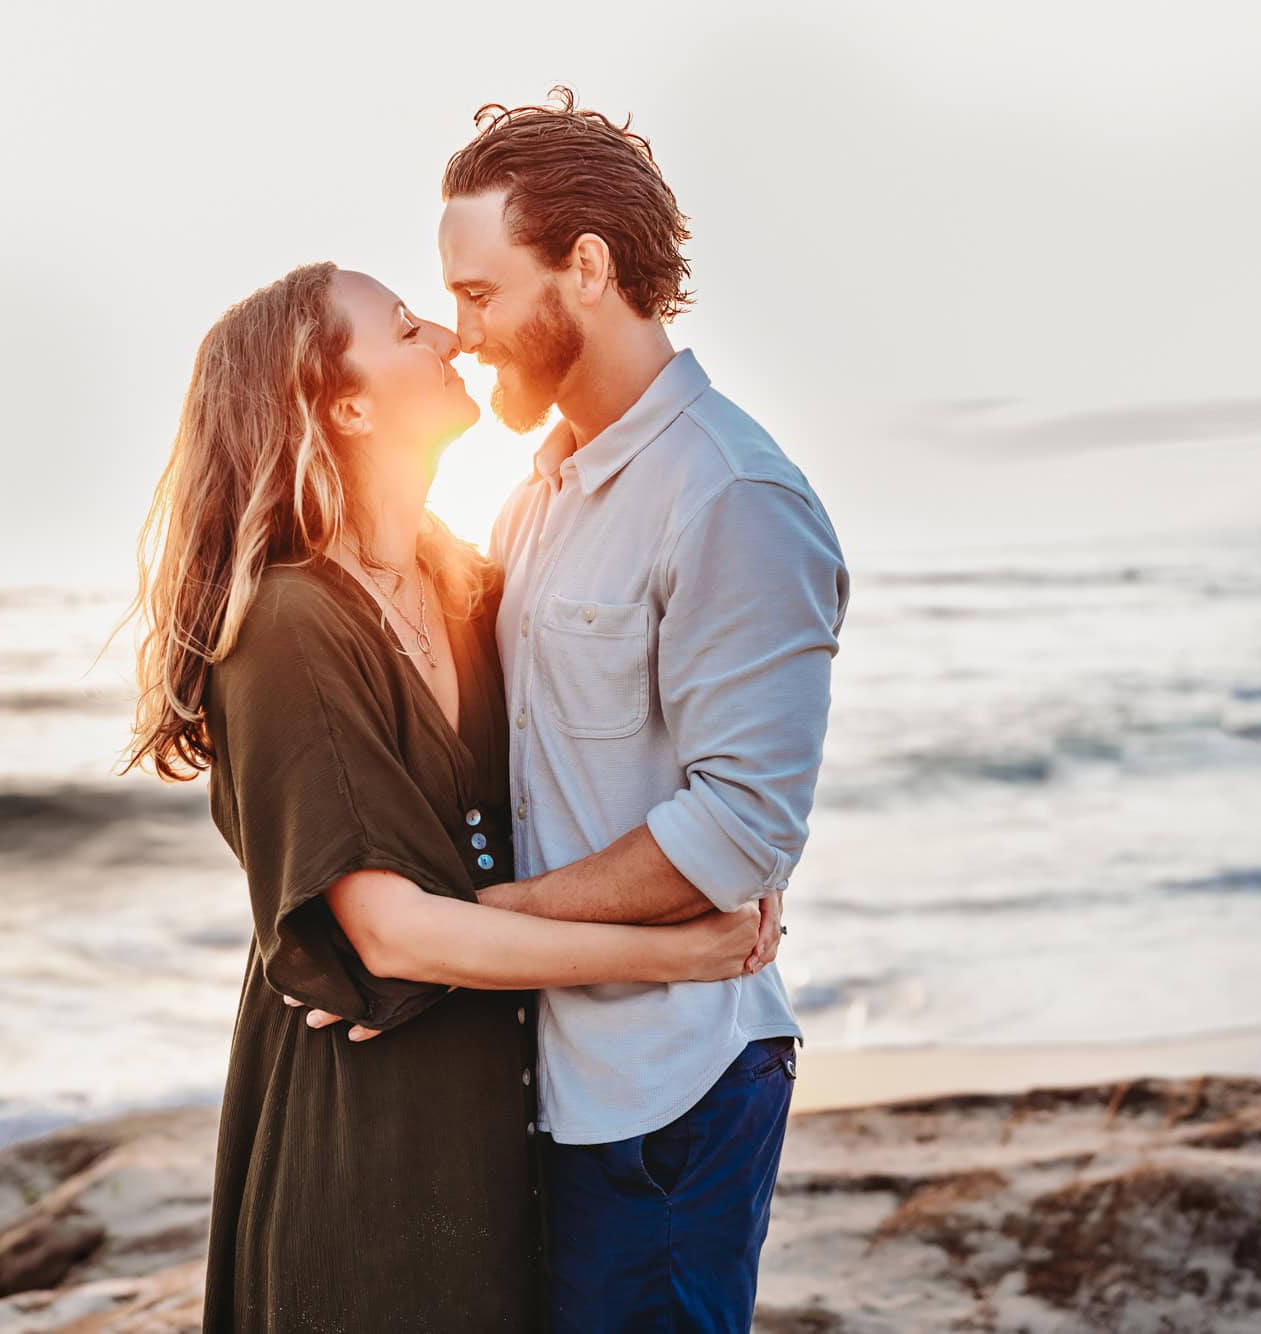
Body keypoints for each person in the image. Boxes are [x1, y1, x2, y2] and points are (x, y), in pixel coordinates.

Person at [119, 261, 764, 1333]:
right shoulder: (288, 626)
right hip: (367, 1136)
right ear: (346, 402)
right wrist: (675, 946)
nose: (451, 339)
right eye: (407, 328)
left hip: (501, 1113)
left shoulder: (465, 583)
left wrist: (733, 853)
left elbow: (628, 737)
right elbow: (389, 933)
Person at [439, 90, 849, 1331]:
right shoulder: (541, 490)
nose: (461, 334)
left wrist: (487, 924)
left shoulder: (730, 495)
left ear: (587, 267)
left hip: (667, 1095)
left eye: (478, 293)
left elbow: (738, 833)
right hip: (552, 1075)